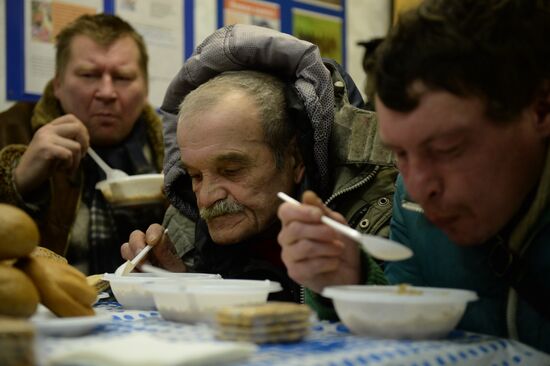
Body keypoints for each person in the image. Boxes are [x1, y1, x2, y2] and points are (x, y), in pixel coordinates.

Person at [277, 0, 550, 353]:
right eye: (400, 153)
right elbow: (414, 340)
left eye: (448, 148)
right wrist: (351, 281)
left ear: (540, 109)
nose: (420, 187)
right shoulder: (410, 198)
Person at [121, 24, 397, 302]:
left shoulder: (376, 211)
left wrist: (352, 281)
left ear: (296, 158)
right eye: (195, 176)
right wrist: (178, 283)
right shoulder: (184, 224)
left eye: (231, 170)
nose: (206, 198)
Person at [0, 14, 165, 274]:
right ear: (57, 84)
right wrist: (15, 181)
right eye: (89, 75)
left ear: (145, 88)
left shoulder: (177, 148)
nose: (107, 92)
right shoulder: (9, 132)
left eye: (122, 77)